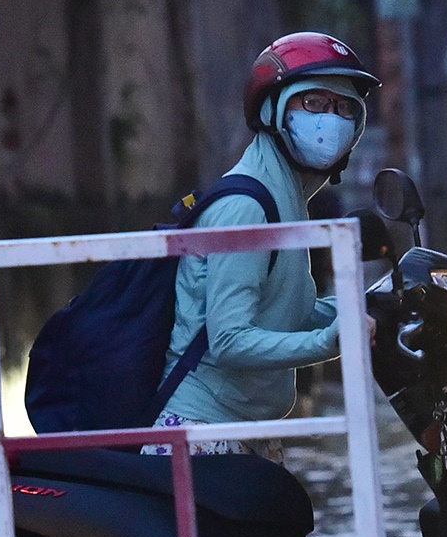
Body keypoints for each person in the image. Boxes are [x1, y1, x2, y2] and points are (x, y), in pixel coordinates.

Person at [145, 32, 379, 456]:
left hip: (246, 430)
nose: (332, 118)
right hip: (203, 437)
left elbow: (288, 314)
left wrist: (372, 305)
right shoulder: (247, 205)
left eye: (346, 107)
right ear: (273, 109)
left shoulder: (288, 199)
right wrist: (328, 343)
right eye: (313, 103)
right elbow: (230, 341)